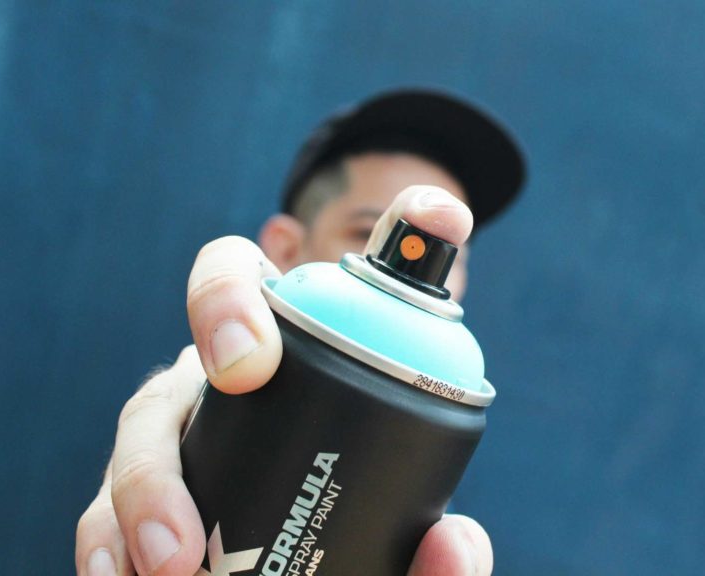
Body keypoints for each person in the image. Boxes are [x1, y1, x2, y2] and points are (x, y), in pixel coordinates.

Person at [74, 89, 525, 576]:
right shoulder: (213, 394)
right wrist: (199, 411)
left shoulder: (433, 487)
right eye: (362, 230)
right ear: (284, 250)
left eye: (455, 256)